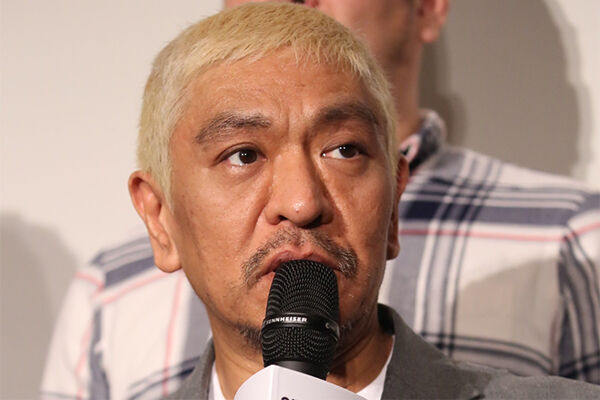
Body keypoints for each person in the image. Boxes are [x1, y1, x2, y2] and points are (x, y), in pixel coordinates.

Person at [41, 1, 600, 398]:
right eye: (243, 155)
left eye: (344, 150)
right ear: (160, 219)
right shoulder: (108, 294)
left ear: (394, 206)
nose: (302, 202)